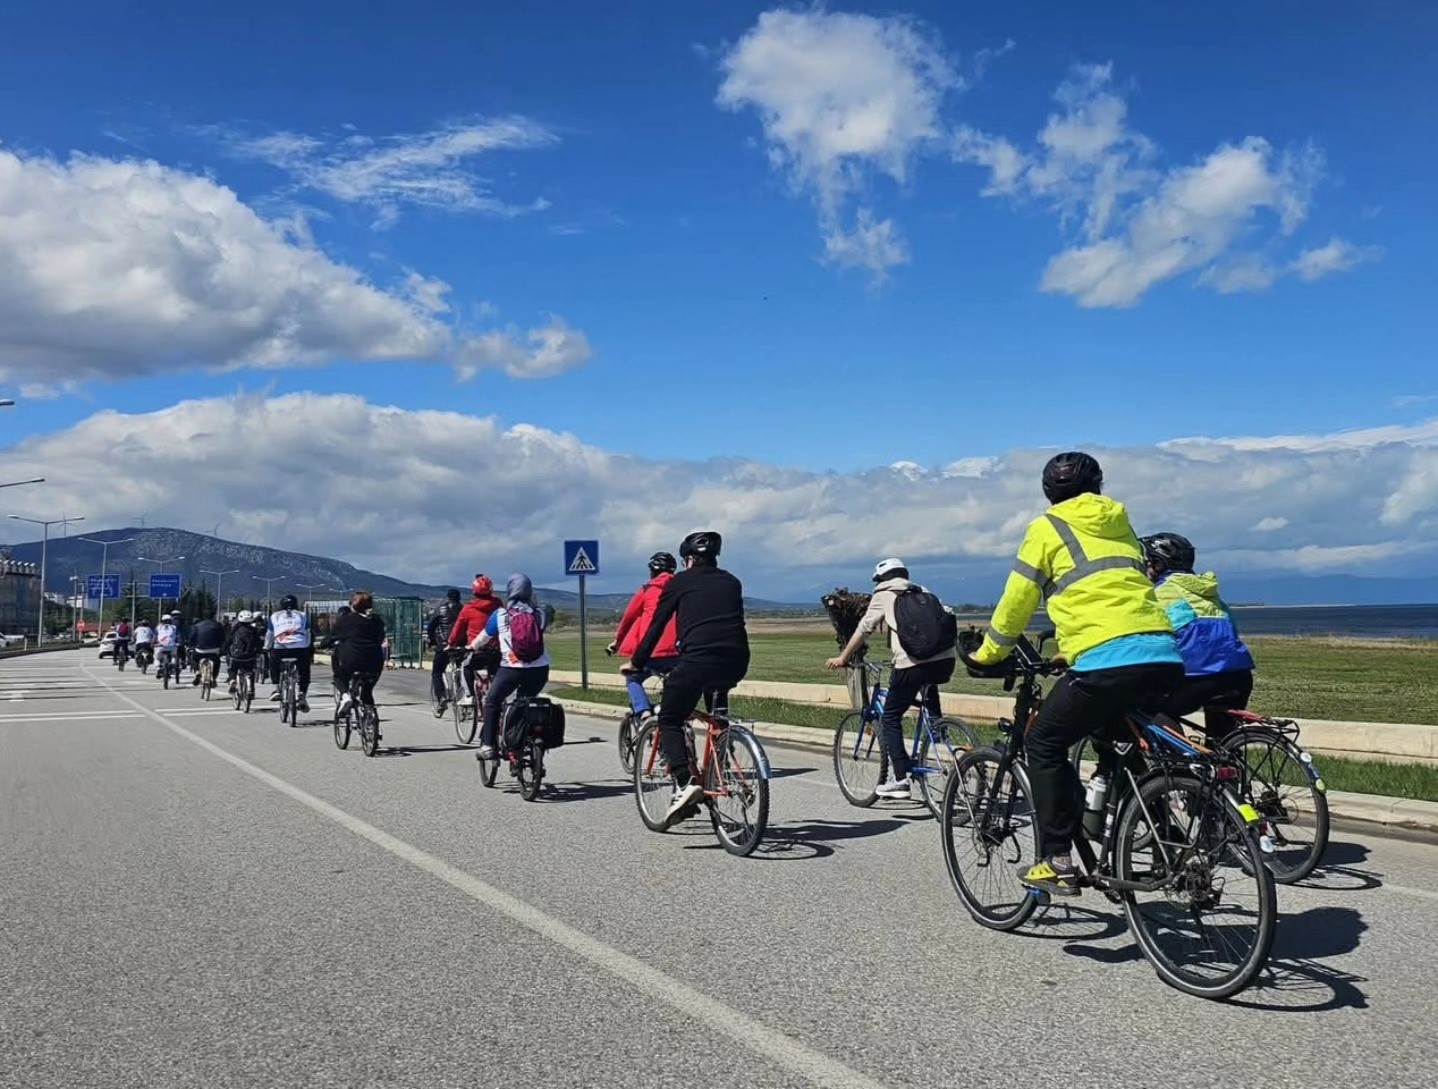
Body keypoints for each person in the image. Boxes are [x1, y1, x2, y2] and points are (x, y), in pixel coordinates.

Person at [965, 452, 1183, 897]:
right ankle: (1165, 836)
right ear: (1098, 487)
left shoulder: (1047, 528)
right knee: (1113, 735)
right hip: (1162, 652)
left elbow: (1017, 600)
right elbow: (1114, 594)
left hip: (1106, 659)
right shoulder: (1122, 524)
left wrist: (988, 653)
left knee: (1042, 740)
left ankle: (1056, 859)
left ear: (1048, 492)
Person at [627, 531, 750, 828]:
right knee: (717, 716)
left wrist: (637, 663)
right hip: (736, 661)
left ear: (689, 559)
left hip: (697, 661)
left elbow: (656, 627)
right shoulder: (732, 581)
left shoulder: (679, 582)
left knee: (670, 717)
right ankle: (722, 758)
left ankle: (684, 782)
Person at [826, 557, 957, 799]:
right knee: (927, 685)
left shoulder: (884, 594)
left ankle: (900, 779)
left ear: (881, 579)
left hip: (912, 663)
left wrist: (844, 657)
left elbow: (864, 628)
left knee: (890, 718)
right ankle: (940, 731)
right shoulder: (924, 591)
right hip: (945, 661)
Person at [1141, 532, 1256, 740]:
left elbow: (1145, 636)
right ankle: (1227, 770)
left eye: (1146, 563)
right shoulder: (1209, 593)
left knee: (1151, 709)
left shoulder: (1159, 593)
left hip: (1199, 676)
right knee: (1222, 746)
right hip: (1239, 674)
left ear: (1157, 564)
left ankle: (1180, 769)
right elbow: (1232, 629)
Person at [470, 574, 550, 759]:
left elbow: (484, 637)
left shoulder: (501, 614)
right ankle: (526, 739)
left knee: (492, 701)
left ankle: (488, 745)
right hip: (539, 669)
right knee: (527, 701)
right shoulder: (540, 614)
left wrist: (471, 647)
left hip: (512, 669)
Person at [608, 552, 680, 719]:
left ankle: (644, 712)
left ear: (652, 571)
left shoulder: (647, 590)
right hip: (678, 653)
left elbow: (628, 618)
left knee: (633, 678)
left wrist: (618, 642)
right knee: (674, 684)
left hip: (650, 652)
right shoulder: (680, 590)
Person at [324, 591, 387, 714]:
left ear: (354, 604)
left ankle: (345, 695)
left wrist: (324, 644)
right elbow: (380, 638)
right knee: (367, 691)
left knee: (339, 676)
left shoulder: (346, 620)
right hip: (374, 661)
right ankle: (370, 721)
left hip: (352, 660)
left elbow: (332, 637)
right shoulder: (377, 620)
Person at [449, 575, 503, 707]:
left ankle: (469, 696)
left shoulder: (468, 608)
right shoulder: (498, 604)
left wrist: (451, 643)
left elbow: (458, 629)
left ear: (474, 591)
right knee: (495, 673)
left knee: (466, 667)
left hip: (477, 650)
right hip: (496, 650)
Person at [265, 594, 313, 713]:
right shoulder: (303, 615)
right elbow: (307, 633)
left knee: (273, 662)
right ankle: (302, 694)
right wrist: (306, 646)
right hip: (300, 647)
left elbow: (269, 635)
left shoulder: (275, 616)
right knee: (304, 669)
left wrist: (266, 647)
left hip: (280, 647)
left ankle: (276, 688)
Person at [428, 589, 463, 706]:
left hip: (443, 646)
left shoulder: (440, 609)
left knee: (437, 672)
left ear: (448, 597)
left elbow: (431, 627)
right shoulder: (464, 609)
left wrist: (433, 641)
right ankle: (462, 693)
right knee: (461, 669)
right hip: (460, 646)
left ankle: (441, 697)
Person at [224, 610, 264, 693]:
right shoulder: (254, 631)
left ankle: (232, 680)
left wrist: (223, 651)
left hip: (236, 656)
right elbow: (259, 643)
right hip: (249, 657)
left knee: (232, 669)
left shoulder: (235, 629)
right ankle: (251, 690)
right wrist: (259, 652)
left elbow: (228, 642)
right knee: (250, 672)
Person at [188, 613, 227, 686]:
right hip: (214, 650)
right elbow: (223, 638)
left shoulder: (197, 626)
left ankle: (197, 672)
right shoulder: (217, 625)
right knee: (217, 662)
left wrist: (191, 646)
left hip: (200, 649)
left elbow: (192, 637)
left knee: (194, 657)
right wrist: (221, 648)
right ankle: (214, 678)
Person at [154, 614, 181, 680]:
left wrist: (153, 644)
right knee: (174, 656)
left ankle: (158, 668)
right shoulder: (174, 627)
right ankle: (173, 665)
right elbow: (178, 637)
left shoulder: (158, 627)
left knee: (156, 658)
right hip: (172, 646)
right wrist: (179, 643)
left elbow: (155, 637)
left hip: (160, 646)